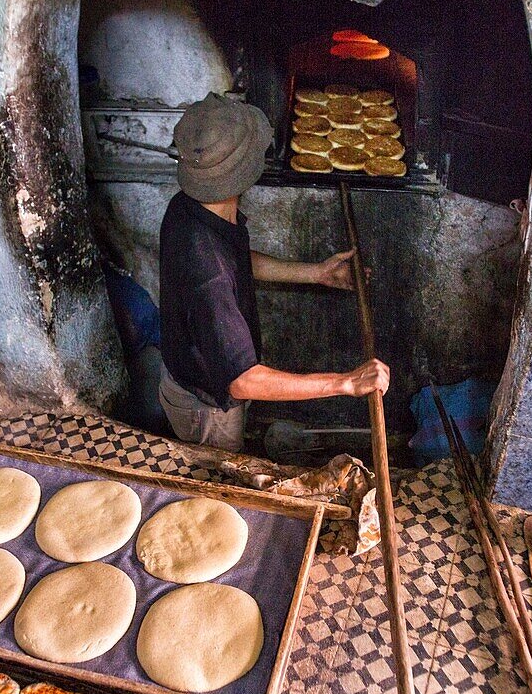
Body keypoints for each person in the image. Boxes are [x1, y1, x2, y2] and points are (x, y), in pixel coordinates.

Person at [158, 93, 390, 451]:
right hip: (206, 409)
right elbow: (243, 381)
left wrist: (316, 273)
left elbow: (237, 260)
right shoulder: (206, 271)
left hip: (201, 378)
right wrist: (345, 383)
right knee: (217, 489)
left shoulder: (193, 207)